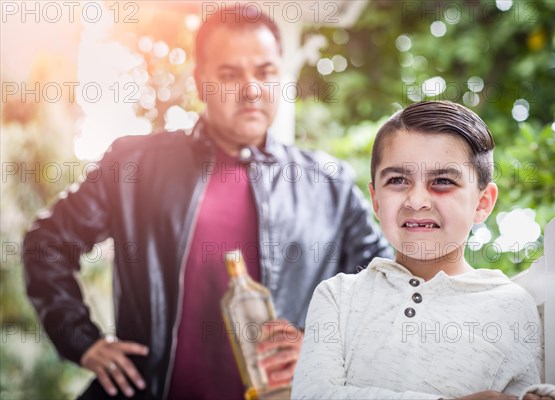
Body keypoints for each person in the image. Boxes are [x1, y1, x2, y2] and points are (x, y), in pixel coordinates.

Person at [22, 5, 392, 400]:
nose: (252, 89)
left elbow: (386, 285)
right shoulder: (135, 165)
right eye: (230, 75)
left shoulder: (327, 183)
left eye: (265, 73)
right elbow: (47, 243)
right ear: (201, 83)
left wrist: (323, 348)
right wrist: (83, 340)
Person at [291, 101, 555, 400]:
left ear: (482, 203)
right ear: (376, 200)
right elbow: (313, 395)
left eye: (442, 181)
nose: (416, 200)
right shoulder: (338, 298)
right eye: (398, 180)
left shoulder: (512, 307)